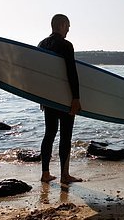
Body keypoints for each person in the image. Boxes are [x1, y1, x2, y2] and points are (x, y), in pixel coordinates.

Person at [38, 14, 83, 184]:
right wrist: (76, 98)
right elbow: (71, 72)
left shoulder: (42, 44)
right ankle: (65, 175)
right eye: (68, 26)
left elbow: (39, 74)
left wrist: (40, 97)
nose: (68, 30)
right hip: (64, 98)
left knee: (49, 133)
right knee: (65, 135)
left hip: (49, 98)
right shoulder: (66, 45)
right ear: (62, 25)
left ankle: (45, 173)